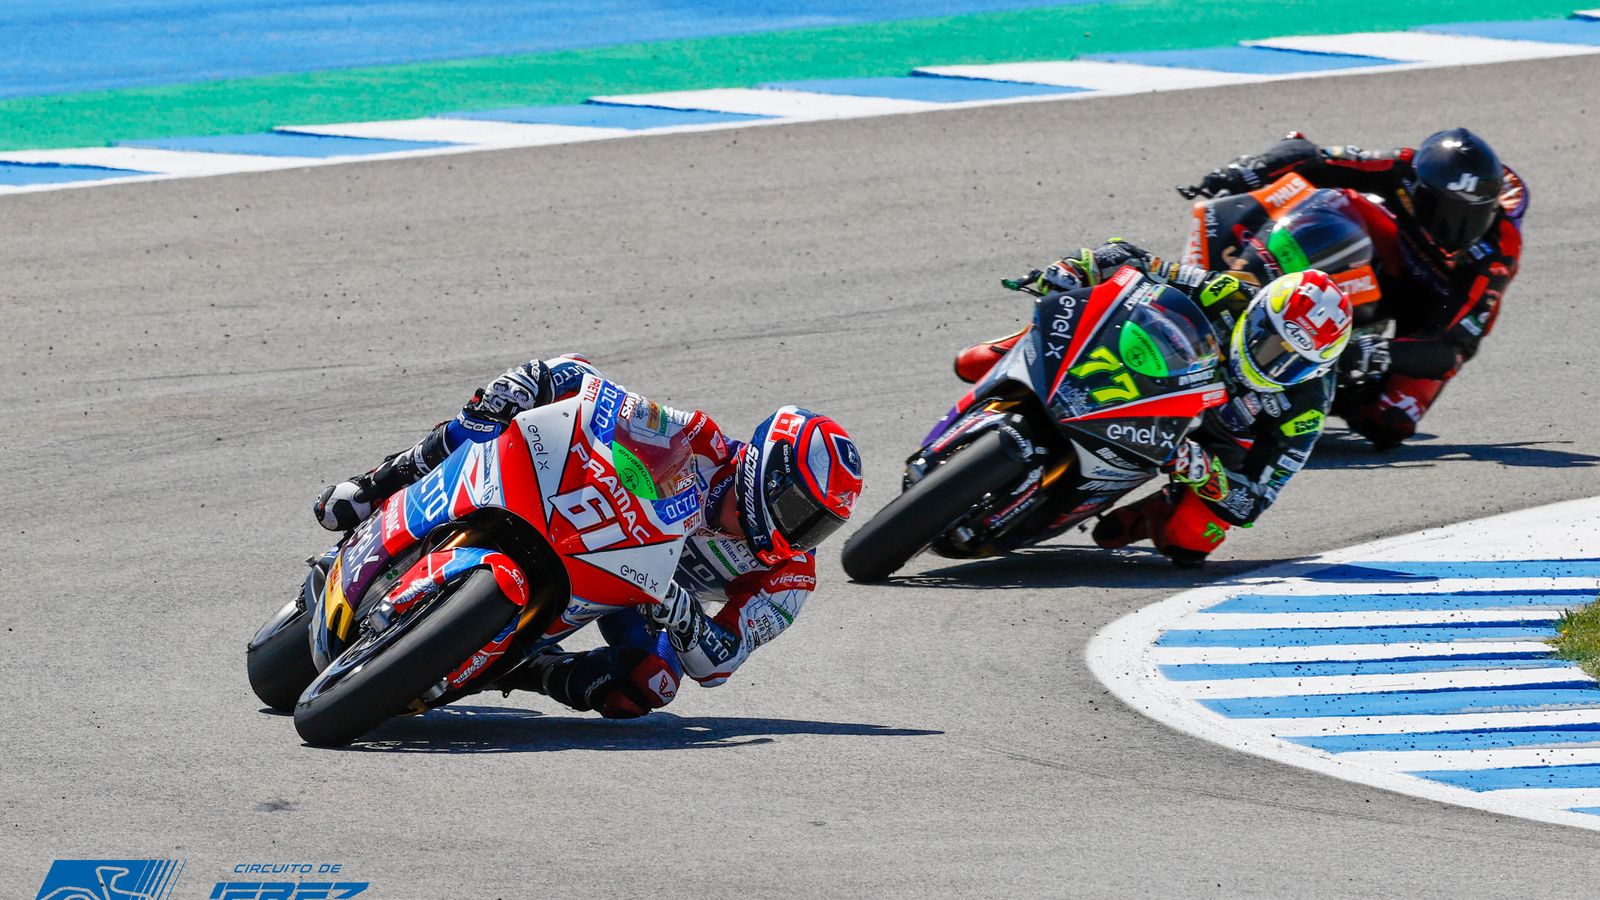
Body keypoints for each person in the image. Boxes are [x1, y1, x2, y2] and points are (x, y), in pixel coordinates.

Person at [312, 354, 863, 718]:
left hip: (636, 594)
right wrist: (532, 383)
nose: (800, 534)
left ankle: (531, 669)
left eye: (820, 525)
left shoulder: (791, 574)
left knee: (651, 686)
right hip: (583, 517)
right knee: (489, 418)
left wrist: (681, 612)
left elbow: (721, 662)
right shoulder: (702, 441)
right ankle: (378, 485)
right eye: (798, 511)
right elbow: (595, 388)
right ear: (767, 468)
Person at [954, 241, 1353, 566]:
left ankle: (1154, 508)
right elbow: (1133, 259)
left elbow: (1254, 501)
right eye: (1269, 344)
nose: (1274, 362)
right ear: (1258, 311)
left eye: (1293, 364)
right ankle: (1014, 352)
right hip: (1156, 370)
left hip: (1200, 438)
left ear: (1318, 369)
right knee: (974, 361)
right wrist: (1076, 268)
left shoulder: (1307, 409)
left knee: (1191, 539)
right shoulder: (1228, 293)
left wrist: (1206, 475)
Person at [1180, 128, 1526, 449]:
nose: (1457, 229)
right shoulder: (1404, 167)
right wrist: (1242, 172)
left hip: (1431, 311)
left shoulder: (1497, 253)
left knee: (1389, 422)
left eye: (1473, 216)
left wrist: (1376, 352)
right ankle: (1240, 283)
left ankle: (1311, 389)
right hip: (1383, 263)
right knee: (1332, 207)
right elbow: (1309, 154)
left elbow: (1452, 348)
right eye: (1446, 211)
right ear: (1421, 189)